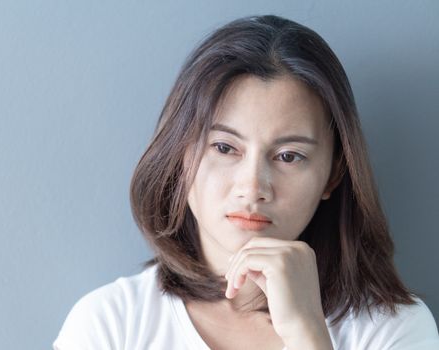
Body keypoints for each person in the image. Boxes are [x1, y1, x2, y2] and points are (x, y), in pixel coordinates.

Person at [53, 15, 439, 350]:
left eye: (289, 156)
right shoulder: (109, 325)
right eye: (224, 147)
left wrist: (308, 334)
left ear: (333, 174)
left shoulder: (393, 329)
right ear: (181, 155)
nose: (253, 186)